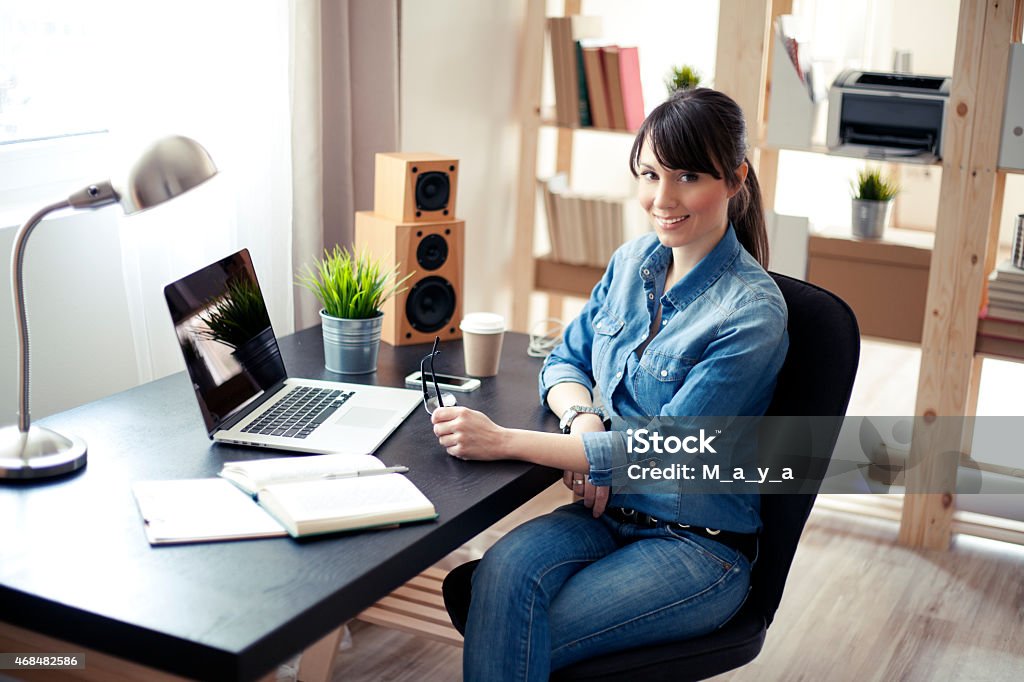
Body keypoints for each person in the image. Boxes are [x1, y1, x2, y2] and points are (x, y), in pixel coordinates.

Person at [430, 87, 789, 682]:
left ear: (735, 179)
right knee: (500, 574)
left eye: (687, 175)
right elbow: (564, 362)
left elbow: (660, 451)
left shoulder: (751, 313)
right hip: (606, 514)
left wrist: (505, 442)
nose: (663, 198)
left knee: (517, 632)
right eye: (649, 174)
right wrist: (584, 423)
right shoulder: (631, 262)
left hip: (695, 546)